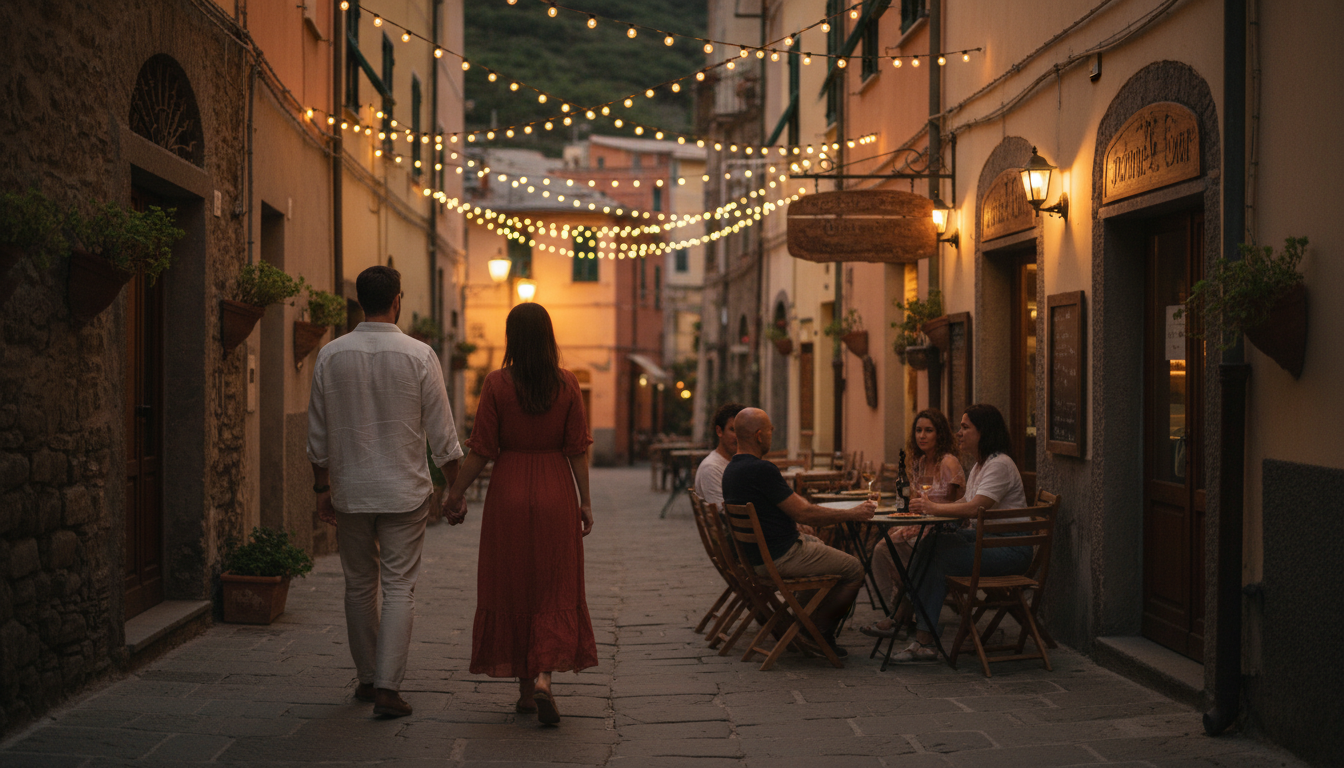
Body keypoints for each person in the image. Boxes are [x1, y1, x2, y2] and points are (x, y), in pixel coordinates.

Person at [307, 265, 463, 718]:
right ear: (397, 299)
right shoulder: (419, 355)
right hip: (404, 491)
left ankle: (368, 679)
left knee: (358, 585)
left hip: (351, 489)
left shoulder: (330, 355)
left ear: (360, 301)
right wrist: (455, 487)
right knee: (399, 587)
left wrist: (323, 488)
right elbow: (442, 433)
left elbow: (317, 432)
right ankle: (389, 690)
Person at [443, 303, 596, 726]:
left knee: (514, 585)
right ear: (549, 336)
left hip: (508, 492)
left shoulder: (496, 384)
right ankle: (545, 677)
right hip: (555, 492)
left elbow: (482, 449)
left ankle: (526, 694)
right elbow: (577, 449)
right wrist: (585, 501)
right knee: (553, 584)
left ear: (512, 337)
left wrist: (454, 494)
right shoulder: (567, 384)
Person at [721, 408, 876, 658]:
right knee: (854, 569)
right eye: (771, 430)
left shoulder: (731, 471)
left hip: (756, 559)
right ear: (759, 435)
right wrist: (853, 513)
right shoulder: (763, 470)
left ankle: (805, 623)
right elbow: (804, 514)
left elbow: (790, 505)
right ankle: (818, 632)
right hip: (780, 557)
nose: (773, 434)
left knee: (817, 543)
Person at [895, 403, 1031, 662]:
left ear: (983, 432)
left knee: (938, 555)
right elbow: (963, 504)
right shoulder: (981, 465)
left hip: (1010, 550)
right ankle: (912, 623)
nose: (959, 432)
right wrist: (933, 511)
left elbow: (974, 508)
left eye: (965, 427)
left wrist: (932, 507)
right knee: (932, 542)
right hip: (989, 542)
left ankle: (916, 629)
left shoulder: (1000, 465)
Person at [859, 409, 965, 639]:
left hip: (943, 529)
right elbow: (916, 498)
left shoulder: (948, 462)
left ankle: (902, 613)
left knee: (895, 550)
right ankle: (899, 608)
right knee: (881, 549)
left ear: (940, 434)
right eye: (918, 430)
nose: (922, 436)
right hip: (920, 524)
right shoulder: (919, 462)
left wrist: (928, 510)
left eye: (928, 430)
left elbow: (958, 505)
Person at [694, 402, 747, 505]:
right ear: (719, 431)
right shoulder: (712, 468)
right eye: (732, 430)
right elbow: (723, 512)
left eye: (742, 430)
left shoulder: (737, 464)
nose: (738, 436)